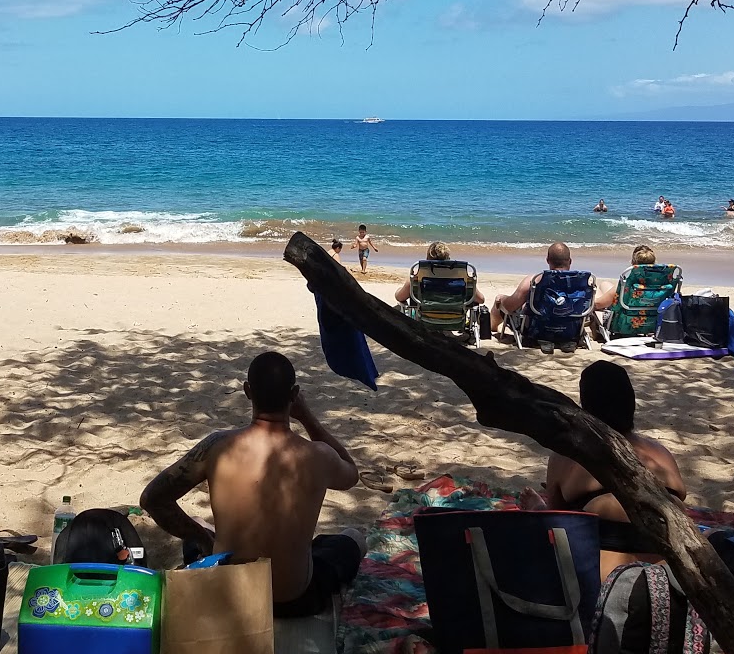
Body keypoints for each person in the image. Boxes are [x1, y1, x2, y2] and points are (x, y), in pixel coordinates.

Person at [139, 351, 363, 617]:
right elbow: (351, 473)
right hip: (293, 601)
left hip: (230, 595)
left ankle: (207, 543)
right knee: (353, 538)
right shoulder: (318, 455)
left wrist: (202, 538)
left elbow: (153, 499)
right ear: (295, 395)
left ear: (247, 391)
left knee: (200, 526)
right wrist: (307, 417)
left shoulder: (217, 447)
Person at [543, 360, 687, 576]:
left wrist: (537, 508)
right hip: (671, 581)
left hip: (602, 584)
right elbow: (682, 499)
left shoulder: (566, 456)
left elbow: (555, 520)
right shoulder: (660, 453)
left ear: (586, 406)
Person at [489, 242, 616, 353]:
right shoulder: (582, 282)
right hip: (571, 331)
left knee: (501, 299)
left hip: (538, 330)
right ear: (570, 261)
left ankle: (492, 327)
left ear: (548, 260)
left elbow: (510, 306)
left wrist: (501, 299)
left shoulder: (535, 280)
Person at [393, 241, 486, 306]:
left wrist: (399, 289)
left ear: (427, 258)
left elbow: (399, 297)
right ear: (448, 258)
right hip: (454, 318)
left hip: (427, 318)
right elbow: (481, 300)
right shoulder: (461, 279)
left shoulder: (418, 280)